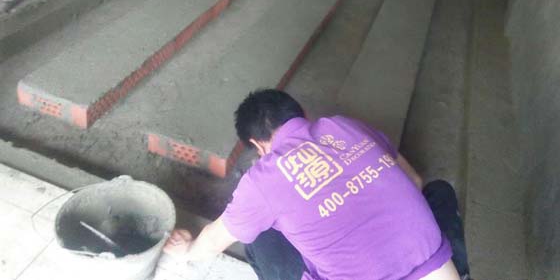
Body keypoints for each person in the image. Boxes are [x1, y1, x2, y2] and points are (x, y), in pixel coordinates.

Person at [164, 89, 471, 280]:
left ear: (257, 145)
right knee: (439, 191)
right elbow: (414, 180)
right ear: (303, 116)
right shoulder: (347, 125)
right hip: (438, 271)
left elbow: (214, 240)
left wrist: (186, 251)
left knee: (259, 237)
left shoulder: (262, 181)